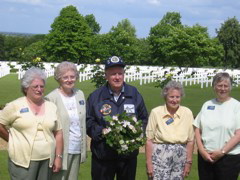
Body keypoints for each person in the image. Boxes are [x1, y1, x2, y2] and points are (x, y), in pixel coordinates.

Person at [86, 56, 148, 180]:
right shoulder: (96, 96)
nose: (117, 77)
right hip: (103, 155)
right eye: (113, 74)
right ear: (106, 76)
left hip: (127, 157)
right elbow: (88, 121)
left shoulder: (134, 93)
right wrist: (102, 131)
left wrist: (134, 133)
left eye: (120, 73)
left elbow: (144, 118)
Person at [0, 67, 63, 180]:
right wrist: (11, 139)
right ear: (26, 88)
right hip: (21, 162)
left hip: (47, 161)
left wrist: (58, 157)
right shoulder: (14, 106)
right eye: (35, 86)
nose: (39, 89)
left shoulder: (51, 107)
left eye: (42, 86)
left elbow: (58, 133)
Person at [193, 72, 240, 180]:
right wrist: (201, 150)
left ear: (230, 88)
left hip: (229, 158)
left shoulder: (236, 106)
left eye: (226, 86)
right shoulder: (207, 105)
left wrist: (222, 152)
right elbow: (197, 128)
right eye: (219, 85)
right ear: (214, 87)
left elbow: (238, 134)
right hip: (206, 157)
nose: (222, 89)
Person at [46, 61, 87, 180]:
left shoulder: (80, 94)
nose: (69, 80)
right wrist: (57, 156)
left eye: (72, 76)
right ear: (59, 79)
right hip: (60, 151)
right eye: (65, 77)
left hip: (77, 148)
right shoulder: (51, 98)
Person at [145, 81, 194, 180]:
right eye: (171, 97)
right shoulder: (156, 112)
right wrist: (149, 162)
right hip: (160, 155)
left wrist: (188, 162)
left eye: (177, 97)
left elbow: (190, 141)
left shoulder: (187, 113)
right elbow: (149, 140)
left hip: (180, 156)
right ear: (165, 97)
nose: (175, 100)